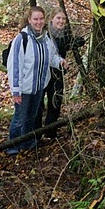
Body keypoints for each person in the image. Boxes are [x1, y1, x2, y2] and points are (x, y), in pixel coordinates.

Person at [5, 6, 67, 155]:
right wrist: (15, 90)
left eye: (41, 19)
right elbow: (14, 66)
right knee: (20, 118)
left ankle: (27, 144)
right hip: (24, 88)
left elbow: (51, 57)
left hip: (39, 87)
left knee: (31, 118)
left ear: (44, 20)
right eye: (35, 19)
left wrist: (60, 62)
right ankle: (12, 147)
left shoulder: (45, 38)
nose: (38, 22)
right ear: (29, 20)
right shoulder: (22, 39)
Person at [35, 8, 85, 138]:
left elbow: (69, 44)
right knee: (39, 104)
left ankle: (50, 132)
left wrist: (80, 41)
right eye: (58, 18)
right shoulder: (44, 34)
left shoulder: (65, 35)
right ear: (51, 19)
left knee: (55, 102)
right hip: (43, 73)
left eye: (63, 19)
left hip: (57, 74)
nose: (61, 21)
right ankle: (35, 134)